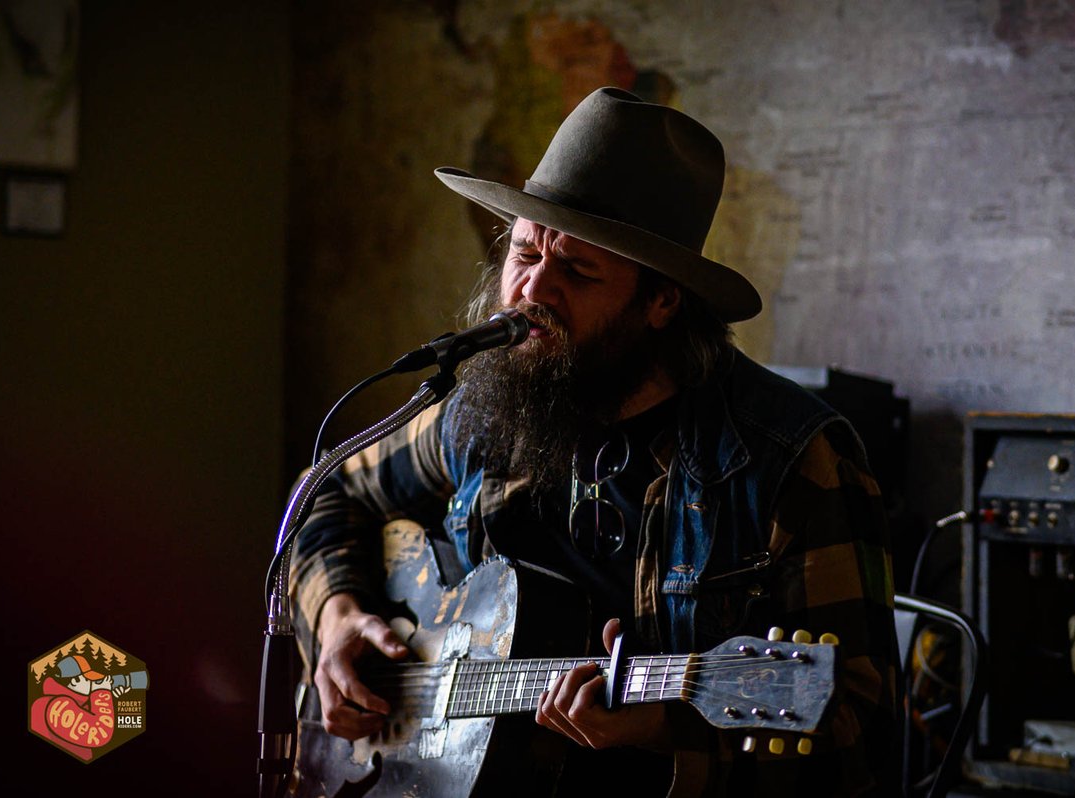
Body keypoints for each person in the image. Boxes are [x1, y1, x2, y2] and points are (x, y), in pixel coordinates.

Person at [290, 87, 898, 796]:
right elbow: (326, 490)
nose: (531, 290)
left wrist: (663, 730)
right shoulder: (483, 414)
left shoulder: (790, 462)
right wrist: (336, 622)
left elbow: (857, 726)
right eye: (523, 252)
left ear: (662, 301)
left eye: (577, 271)